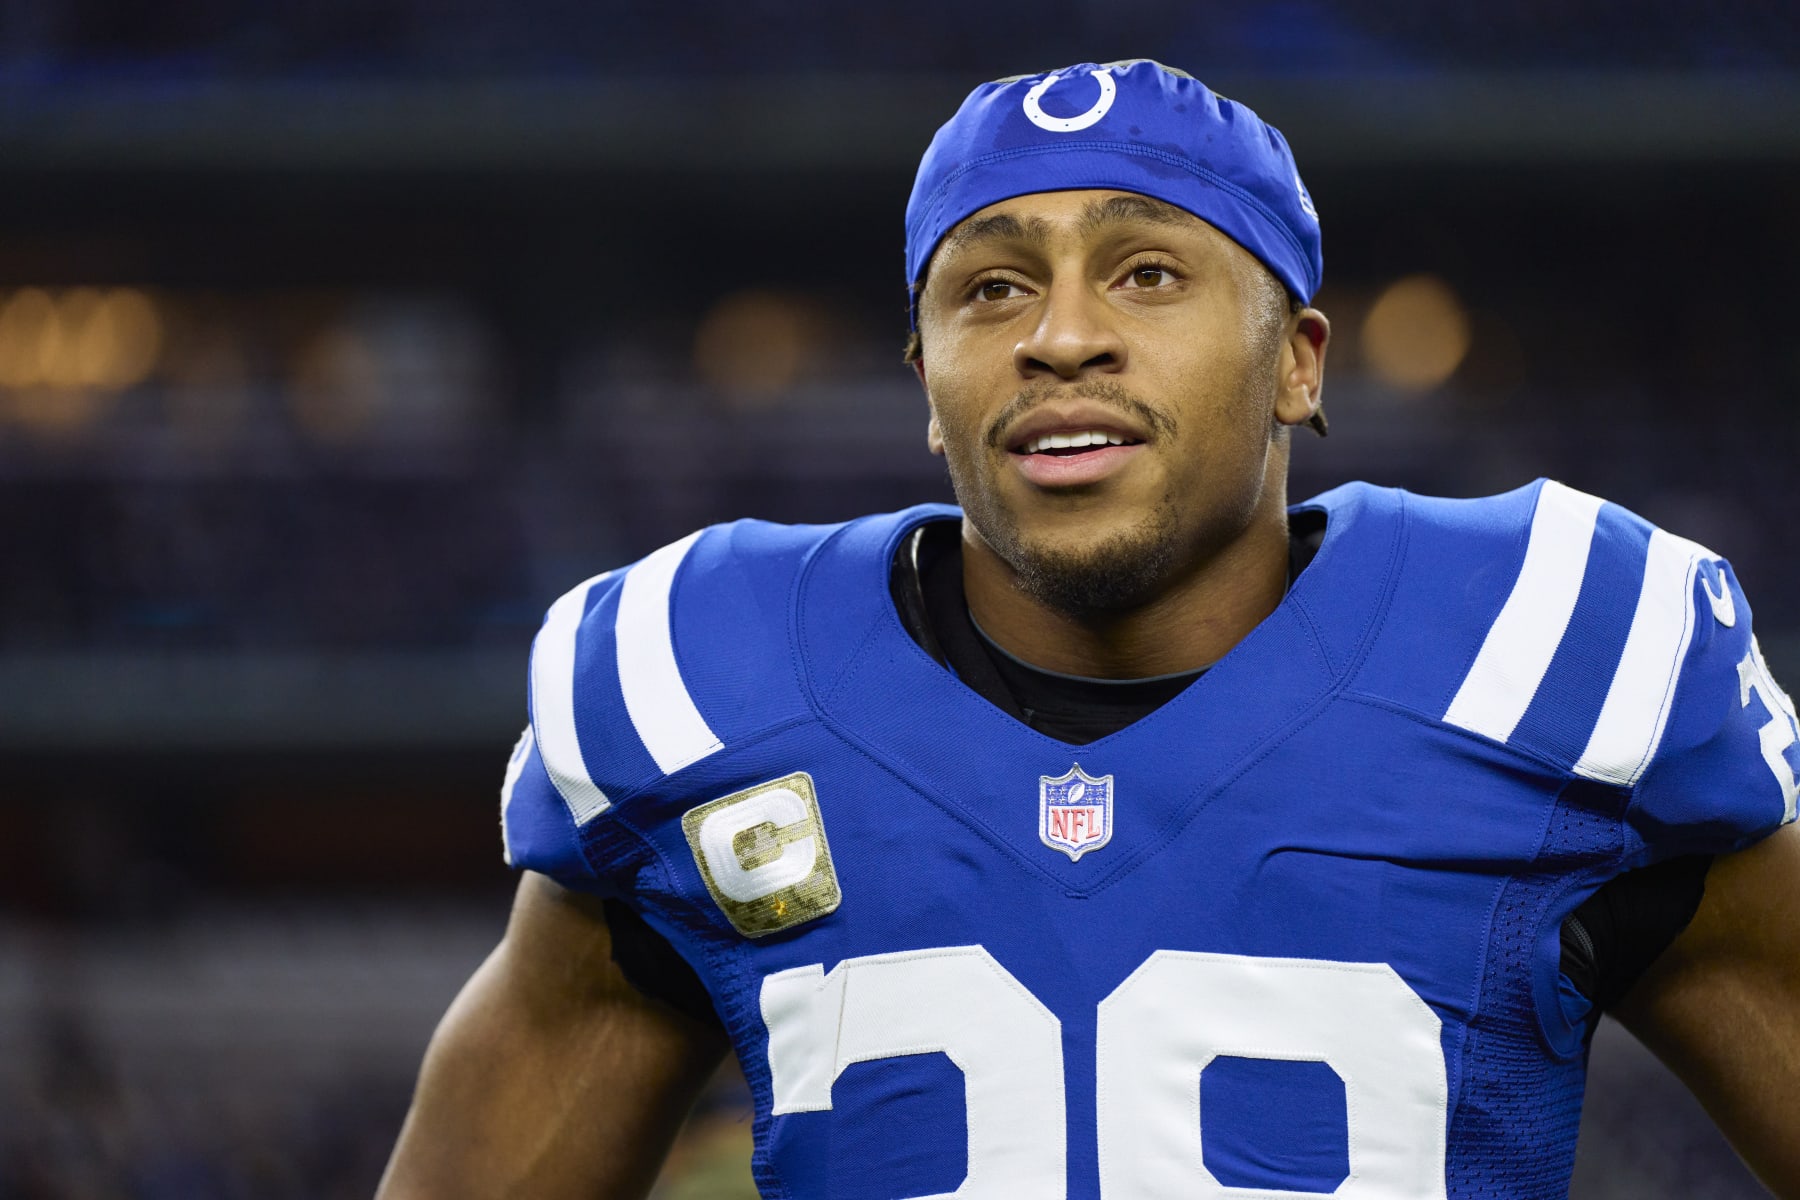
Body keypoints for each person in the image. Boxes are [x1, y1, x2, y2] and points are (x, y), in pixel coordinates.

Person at [377, 59, 1800, 1199]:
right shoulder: (703, 685)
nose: (1060, 337)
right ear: (927, 380)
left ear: (1298, 364)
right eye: (992, 287)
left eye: (1147, 273)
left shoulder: (1549, 654)